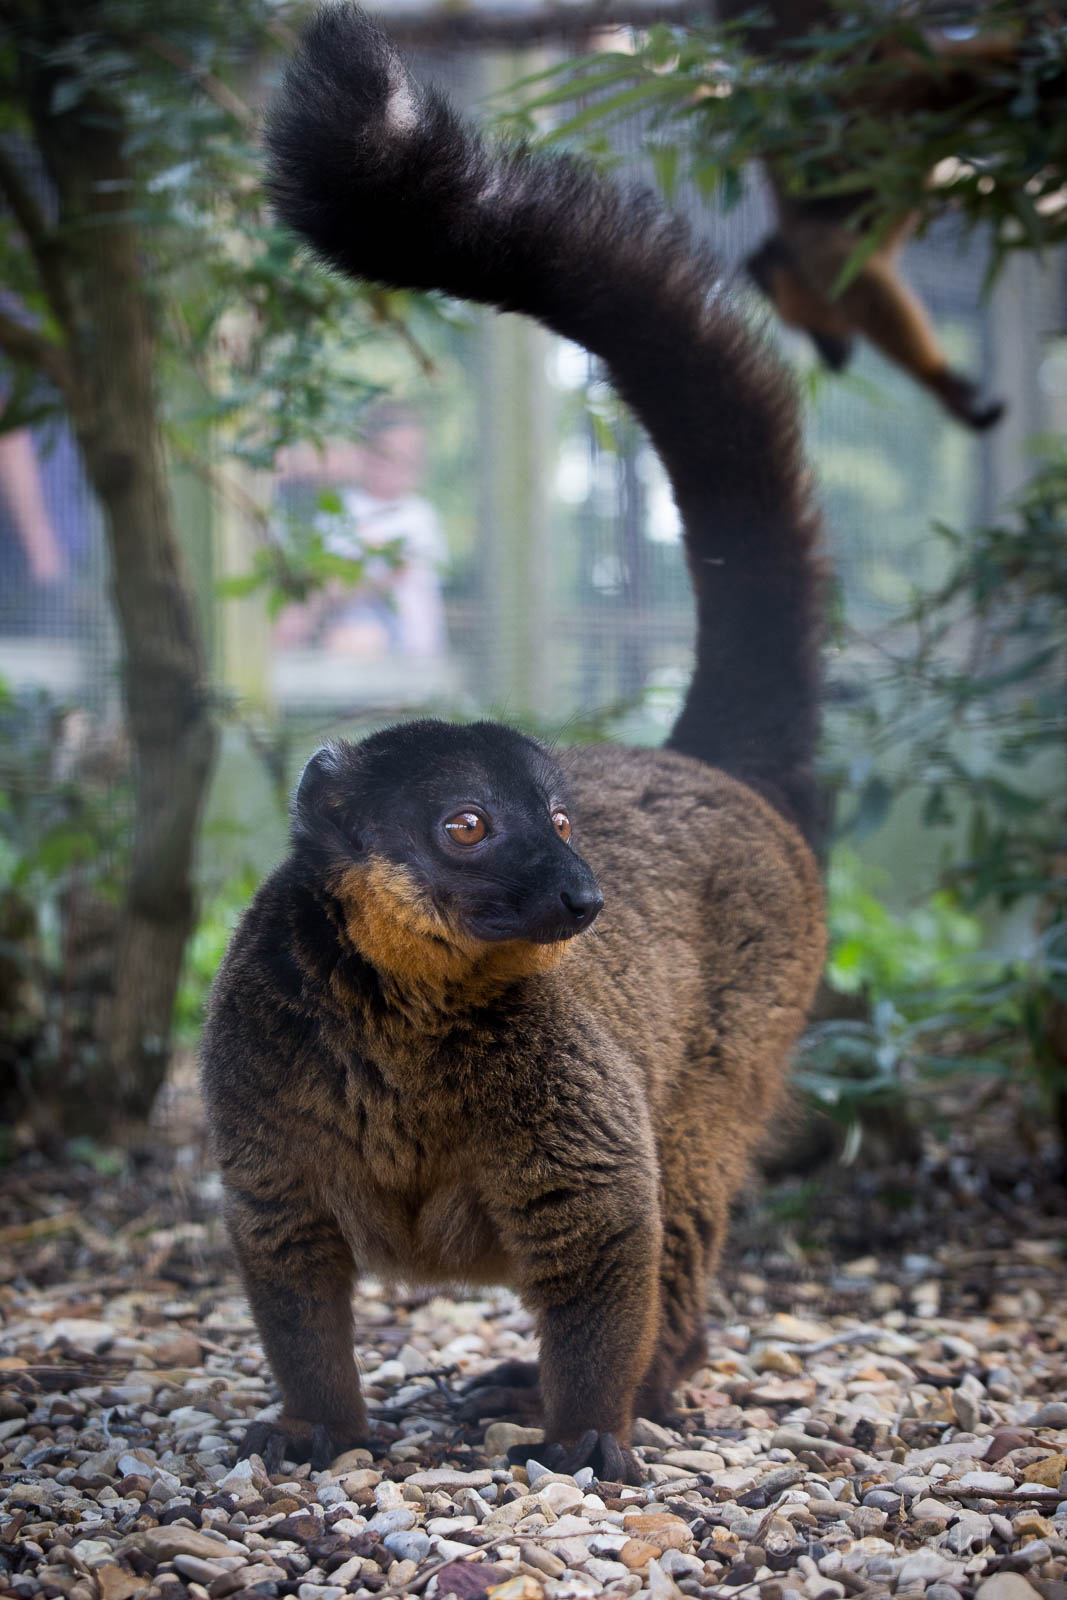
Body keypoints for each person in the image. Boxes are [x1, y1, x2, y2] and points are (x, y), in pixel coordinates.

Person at [274, 409, 448, 659]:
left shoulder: (420, 515)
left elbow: (399, 573)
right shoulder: (338, 509)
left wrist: (355, 576)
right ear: (368, 453)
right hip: (355, 655)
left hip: (415, 657)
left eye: (412, 456)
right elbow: (327, 582)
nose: (401, 466)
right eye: (390, 455)